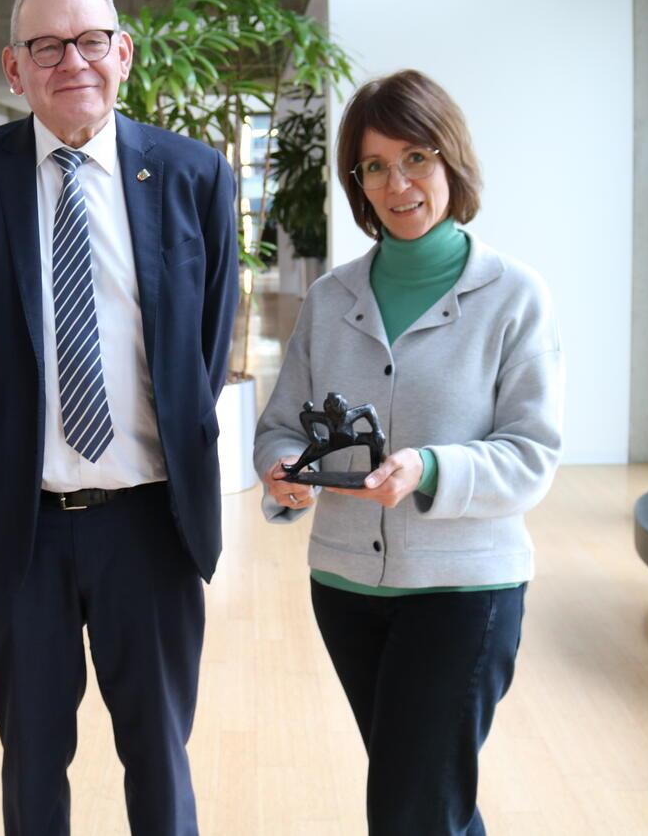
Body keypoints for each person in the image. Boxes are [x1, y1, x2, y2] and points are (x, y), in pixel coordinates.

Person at [0, 0, 238, 835]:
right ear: (14, 68)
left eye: (91, 40)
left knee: (160, 752)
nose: (73, 60)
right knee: (30, 756)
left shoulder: (193, 175)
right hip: (22, 528)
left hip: (151, 527)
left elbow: (204, 353)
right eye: (46, 45)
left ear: (122, 52)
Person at [254, 69, 564, 835]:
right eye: (376, 166)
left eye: (417, 157)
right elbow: (280, 424)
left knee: (410, 806)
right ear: (358, 182)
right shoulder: (331, 300)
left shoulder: (515, 296)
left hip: (465, 591)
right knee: (427, 796)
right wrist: (284, 473)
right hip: (346, 587)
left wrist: (428, 468)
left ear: (451, 160)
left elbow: (532, 453)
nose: (399, 183)